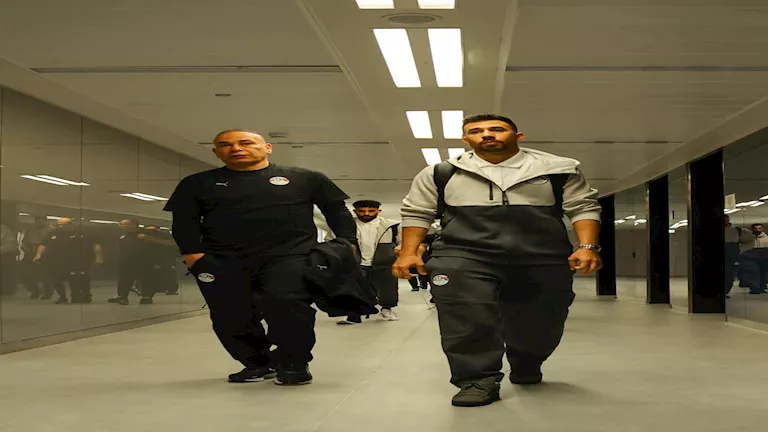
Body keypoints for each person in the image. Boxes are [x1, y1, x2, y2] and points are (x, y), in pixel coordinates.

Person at [393, 114, 602, 407]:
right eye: (476, 131)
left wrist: (587, 246)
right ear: (466, 139)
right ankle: (477, 380)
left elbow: (583, 206)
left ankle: (527, 359)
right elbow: (417, 212)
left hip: (541, 255)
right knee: (466, 316)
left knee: (542, 319)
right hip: (464, 253)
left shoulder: (558, 170)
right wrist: (408, 252)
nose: (486, 134)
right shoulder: (441, 173)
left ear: (518, 136)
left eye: (497, 129)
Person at [164, 129, 358, 386]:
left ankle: (294, 363)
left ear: (267, 147)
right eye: (225, 144)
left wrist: (347, 243)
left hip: (290, 256)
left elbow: (336, 210)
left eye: (245, 143)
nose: (236, 148)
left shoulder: (305, 178)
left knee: (288, 306)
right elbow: (184, 222)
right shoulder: (196, 183)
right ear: (216, 152)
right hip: (221, 259)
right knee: (229, 316)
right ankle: (257, 363)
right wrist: (193, 256)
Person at [337, 200, 401, 325]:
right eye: (362, 211)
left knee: (387, 287)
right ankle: (353, 315)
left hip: (383, 261)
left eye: (371, 211)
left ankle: (387, 309)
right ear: (355, 211)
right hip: (355, 262)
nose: (366, 213)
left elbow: (401, 242)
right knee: (353, 288)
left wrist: (396, 252)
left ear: (378, 211)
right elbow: (332, 240)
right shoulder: (346, 226)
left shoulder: (391, 226)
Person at [34, 217, 104, 304]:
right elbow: (43, 245)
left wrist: (98, 256)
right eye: (59, 225)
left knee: (77, 278)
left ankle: (81, 295)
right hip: (57, 260)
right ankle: (62, 297)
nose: (60, 227)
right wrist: (38, 255)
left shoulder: (80, 233)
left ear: (69, 225)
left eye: (62, 225)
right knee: (57, 279)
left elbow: (95, 245)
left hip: (76, 259)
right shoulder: (53, 233)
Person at [738, 223, 768, 295]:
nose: (758, 230)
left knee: (763, 272)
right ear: (752, 229)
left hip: (764, 255)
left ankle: (762, 287)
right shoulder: (748, 237)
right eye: (756, 228)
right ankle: (755, 288)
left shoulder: (766, 237)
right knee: (753, 272)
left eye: (759, 228)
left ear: (763, 229)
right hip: (750, 255)